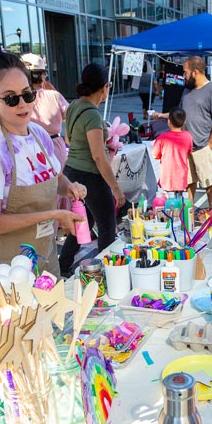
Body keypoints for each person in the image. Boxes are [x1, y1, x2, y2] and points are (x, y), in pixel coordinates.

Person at [0, 44, 86, 277]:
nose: (23, 104)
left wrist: (69, 187)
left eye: (28, 94)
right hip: (8, 272)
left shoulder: (38, 134)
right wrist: (53, 215)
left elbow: (56, 177)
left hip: (46, 258)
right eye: (11, 99)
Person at [58, 63, 126, 277]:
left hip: (72, 170)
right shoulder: (93, 116)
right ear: (104, 87)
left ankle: (63, 264)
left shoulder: (74, 106)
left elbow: (69, 139)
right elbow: (98, 156)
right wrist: (116, 189)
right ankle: (109, 272)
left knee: (83, 222)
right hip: (90, 176)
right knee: (107, 226)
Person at [153, 56, 212, 207]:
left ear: (195, 72)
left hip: (203, 146)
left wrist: (210, 143)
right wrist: (161, 115)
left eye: (185, 72)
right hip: (186, 147)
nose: (183, 76)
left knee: (208, 183)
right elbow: (179, 112)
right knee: (188, 183)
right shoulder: (186, 90)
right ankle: (189, 216)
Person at [21, 52, 71, 212]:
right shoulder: (53, 96)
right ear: (42, 75)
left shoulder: (20, 99)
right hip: (54, 144)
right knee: (57, 185)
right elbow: (68, 115)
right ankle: (57, 223)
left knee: (37, 189)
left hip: (27, 145)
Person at [151, 106, 192, 194]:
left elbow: (154, 154)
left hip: (167, 175)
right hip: (181, 174)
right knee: (180, 201)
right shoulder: (188, 136)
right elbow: (189, 151)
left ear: (169, 122)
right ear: (184, 122)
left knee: (167, 201)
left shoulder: (162, 137)